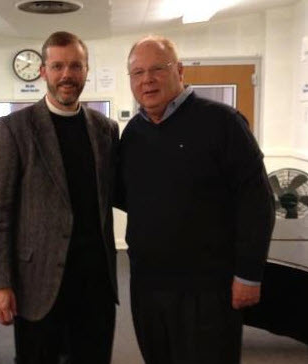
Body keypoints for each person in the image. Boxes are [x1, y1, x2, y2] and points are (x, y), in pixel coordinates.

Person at [117, 35, 275, 364]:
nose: (147, 80)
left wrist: (248, 274)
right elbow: (132, 197)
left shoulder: (223, 123)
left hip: (208, 289)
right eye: (137, 72)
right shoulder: (133, 133)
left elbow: (256, 201)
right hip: (148, 286)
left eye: (157, 69)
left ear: (180, 70)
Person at [0, 31, 119, 364]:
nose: (66, 75)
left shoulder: (106, 129)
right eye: (57, 66)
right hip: (38, 283)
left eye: (75, 66)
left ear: (87, 71)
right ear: (44, 71)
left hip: (95, 283)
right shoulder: (14, 129)